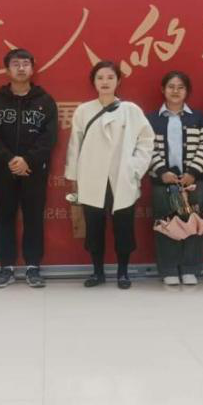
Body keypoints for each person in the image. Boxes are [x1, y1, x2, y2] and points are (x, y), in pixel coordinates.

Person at [65, 61, 154, 289]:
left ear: (118, 81)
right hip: (91, 177)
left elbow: (146, 141)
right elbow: (74, 145)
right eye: (100, 78)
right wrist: (74, 177)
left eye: (110, 77)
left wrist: (134, 168)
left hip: (122, 177)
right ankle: (97, 272)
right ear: (93, 82)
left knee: (124, 227)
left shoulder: (131, 110)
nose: (105, 82)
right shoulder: (84, 110)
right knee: (94, 228)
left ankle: (123, 272)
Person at [0, 48, 58, 288]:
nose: (21, 68)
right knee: (4, 217)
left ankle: (33, 267)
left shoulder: (45, 101)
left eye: (25, 63)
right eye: (15, 64)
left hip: (34, 170)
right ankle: (6, 267)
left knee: (33, 217)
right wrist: (10, 160)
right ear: (7, 70)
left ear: (32, 68)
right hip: (3, 170)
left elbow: (49, 137)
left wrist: (27, 160)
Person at [146, 71, 203, 286]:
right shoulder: (151, 119)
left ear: (187, 91)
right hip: (162, 181)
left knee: (193, 224)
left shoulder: (198, 117)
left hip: (193, 181)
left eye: (180, 87)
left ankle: (190, 268)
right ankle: (168, 269)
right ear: (163, 89)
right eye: (171, 86)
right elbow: (146, 147)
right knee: (166, 224)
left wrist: (193, 172)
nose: (175, 91)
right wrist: (161, 171)